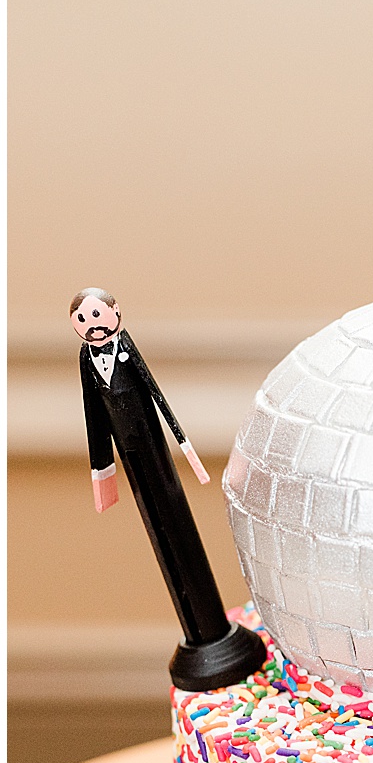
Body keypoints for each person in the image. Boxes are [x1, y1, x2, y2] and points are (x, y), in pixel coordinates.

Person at [72, 288, 267, 689]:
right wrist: (101, 470)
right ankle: (201, 634)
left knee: (178, 528)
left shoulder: (126, 347)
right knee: (161, 533)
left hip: (154, 448)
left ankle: (213, 632)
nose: (92, 325)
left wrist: (183, 444)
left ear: (116, 313)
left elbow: (157, 396)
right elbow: (93, 415)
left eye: (98, 315)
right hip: (128, 455)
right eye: (83, 319)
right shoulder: (86, 360)